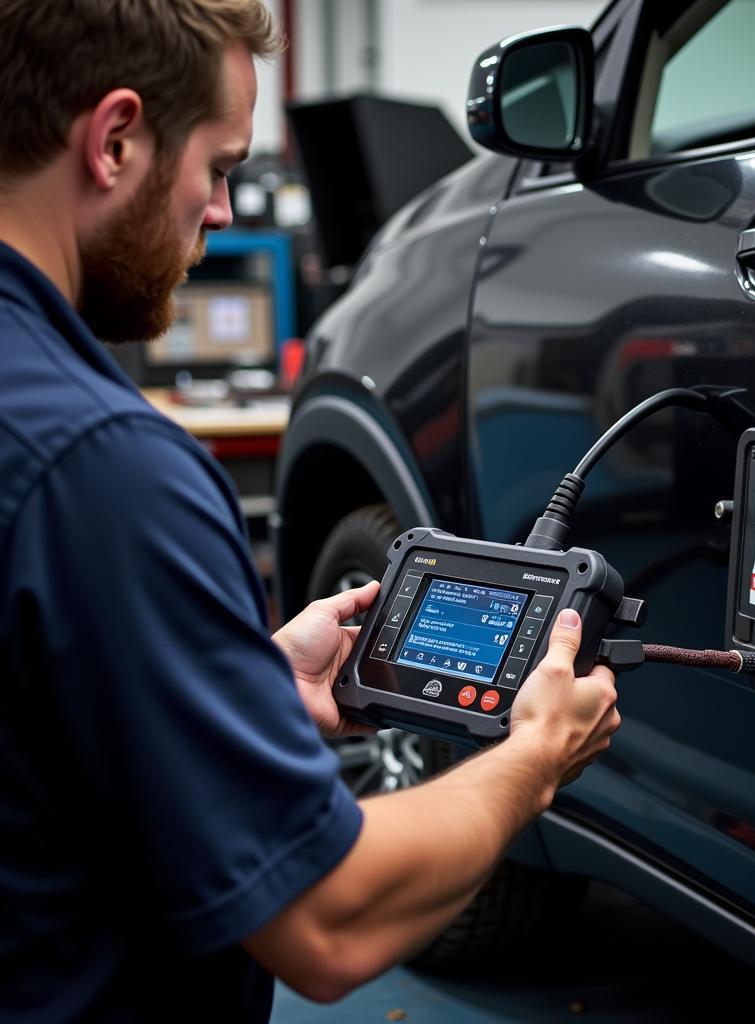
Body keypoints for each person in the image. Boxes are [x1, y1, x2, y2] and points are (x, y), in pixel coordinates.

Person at [0, 2, 620, 1021]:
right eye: (219, 166)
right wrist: (533, 759)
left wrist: (237, 693)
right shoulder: (106, 471)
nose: (224, 211)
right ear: (114, 141)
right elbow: (329, 921)